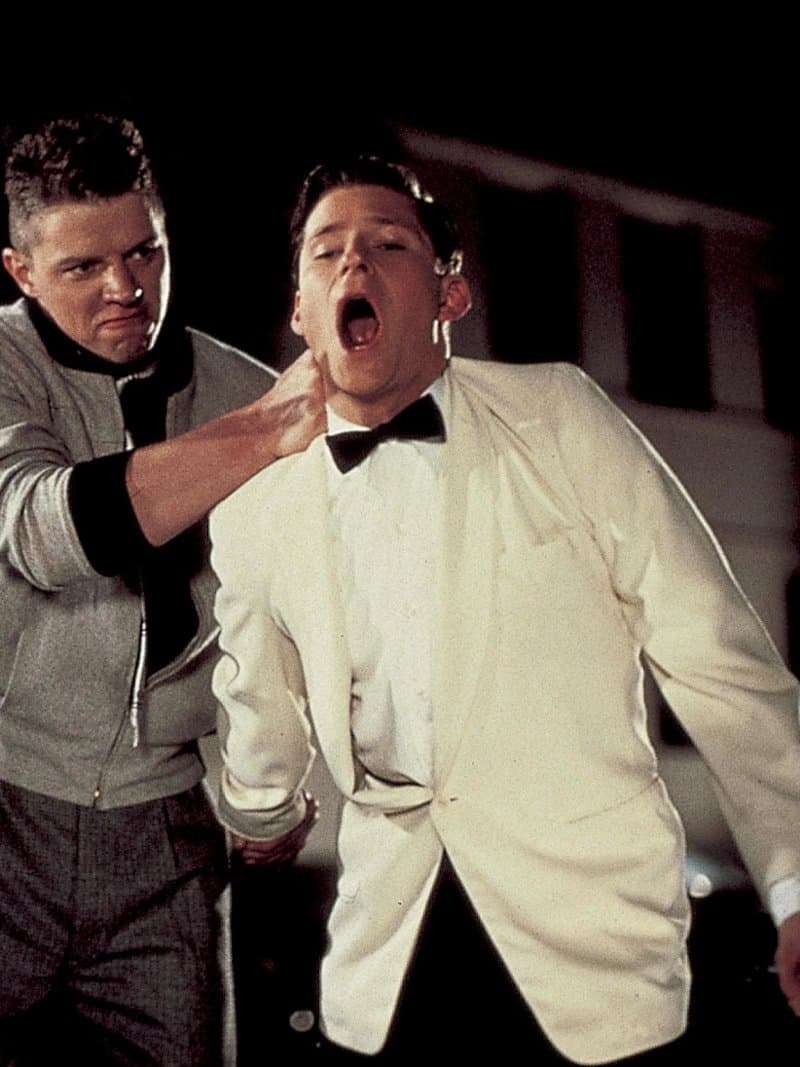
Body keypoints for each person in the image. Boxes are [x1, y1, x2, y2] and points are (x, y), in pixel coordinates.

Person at [208, 156, 800, 1064]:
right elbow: (259, 716)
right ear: (299, 311)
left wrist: (795, 884)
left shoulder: (560, 415)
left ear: (450, 294)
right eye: (326, 252)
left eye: (387, 245)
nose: (353, 263)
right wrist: (260, 812)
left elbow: (715, 655)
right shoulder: (256, 504)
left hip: (595, 964)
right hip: (385, 971)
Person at [0, 114, 324, 1065]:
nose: (125, 288)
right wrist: (267, 429)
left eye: (145, 252)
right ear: (20, 271)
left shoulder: (245, 392)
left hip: (167, 840)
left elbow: (298, 612)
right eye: (84, 267)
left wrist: (272, 780)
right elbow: (45, 529)